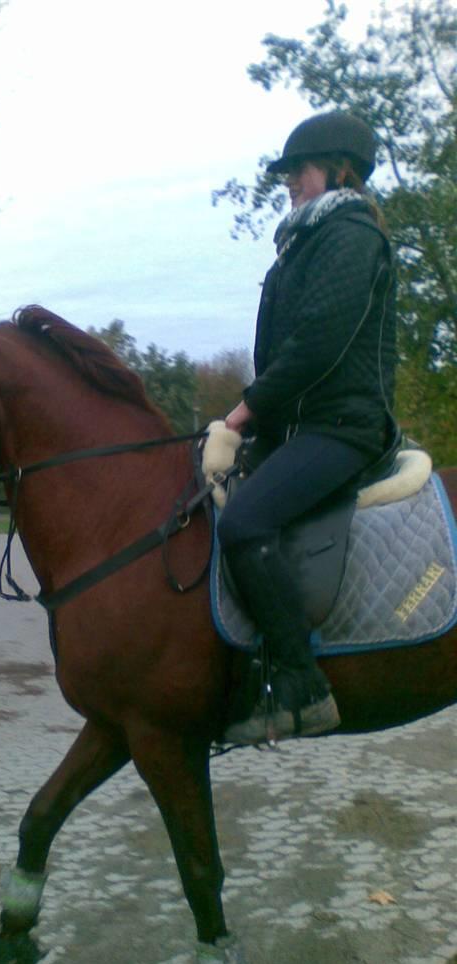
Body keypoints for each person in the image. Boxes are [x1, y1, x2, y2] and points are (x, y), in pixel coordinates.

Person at [217, 110, 397, 745]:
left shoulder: (352, 237)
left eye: (301, 168)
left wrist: (240, 416)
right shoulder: (301, 243)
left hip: (343, 427)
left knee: (244, 522)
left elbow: (316, 345)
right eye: (289, 170)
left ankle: (300, 683)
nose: (290, 179)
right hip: (297, 431)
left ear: (340, 170)